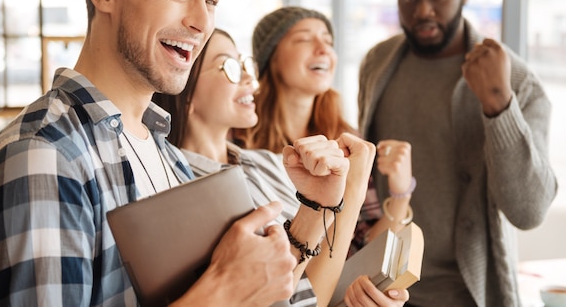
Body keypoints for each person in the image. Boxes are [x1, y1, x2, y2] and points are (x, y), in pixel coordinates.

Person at [0, 0, 303, 306]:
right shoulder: (42, 155)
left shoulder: (166, 153)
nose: (201, 22)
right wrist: (223, 293)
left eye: (211, 0)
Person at [357, 0, 558, 307]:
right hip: (384, 289)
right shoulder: (378, 64)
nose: (423, 11)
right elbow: (366, 181)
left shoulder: (517, 80)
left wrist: (499, 105)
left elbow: (529, 212)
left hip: (471, 293)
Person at [153, 28, 410, 306]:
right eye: (229, 66)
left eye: (245, 64)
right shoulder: (177, 187)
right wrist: (352, 192)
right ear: (185, 90)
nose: (251, 79)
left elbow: (319, 277)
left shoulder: (268, 162)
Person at [232, 6, 415, 254]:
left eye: (328, 41)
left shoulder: (349, 144)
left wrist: (400, 193)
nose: (324, 49)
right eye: (304, 39)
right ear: (271, 57)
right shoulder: (235, 139)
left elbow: (366, 248)